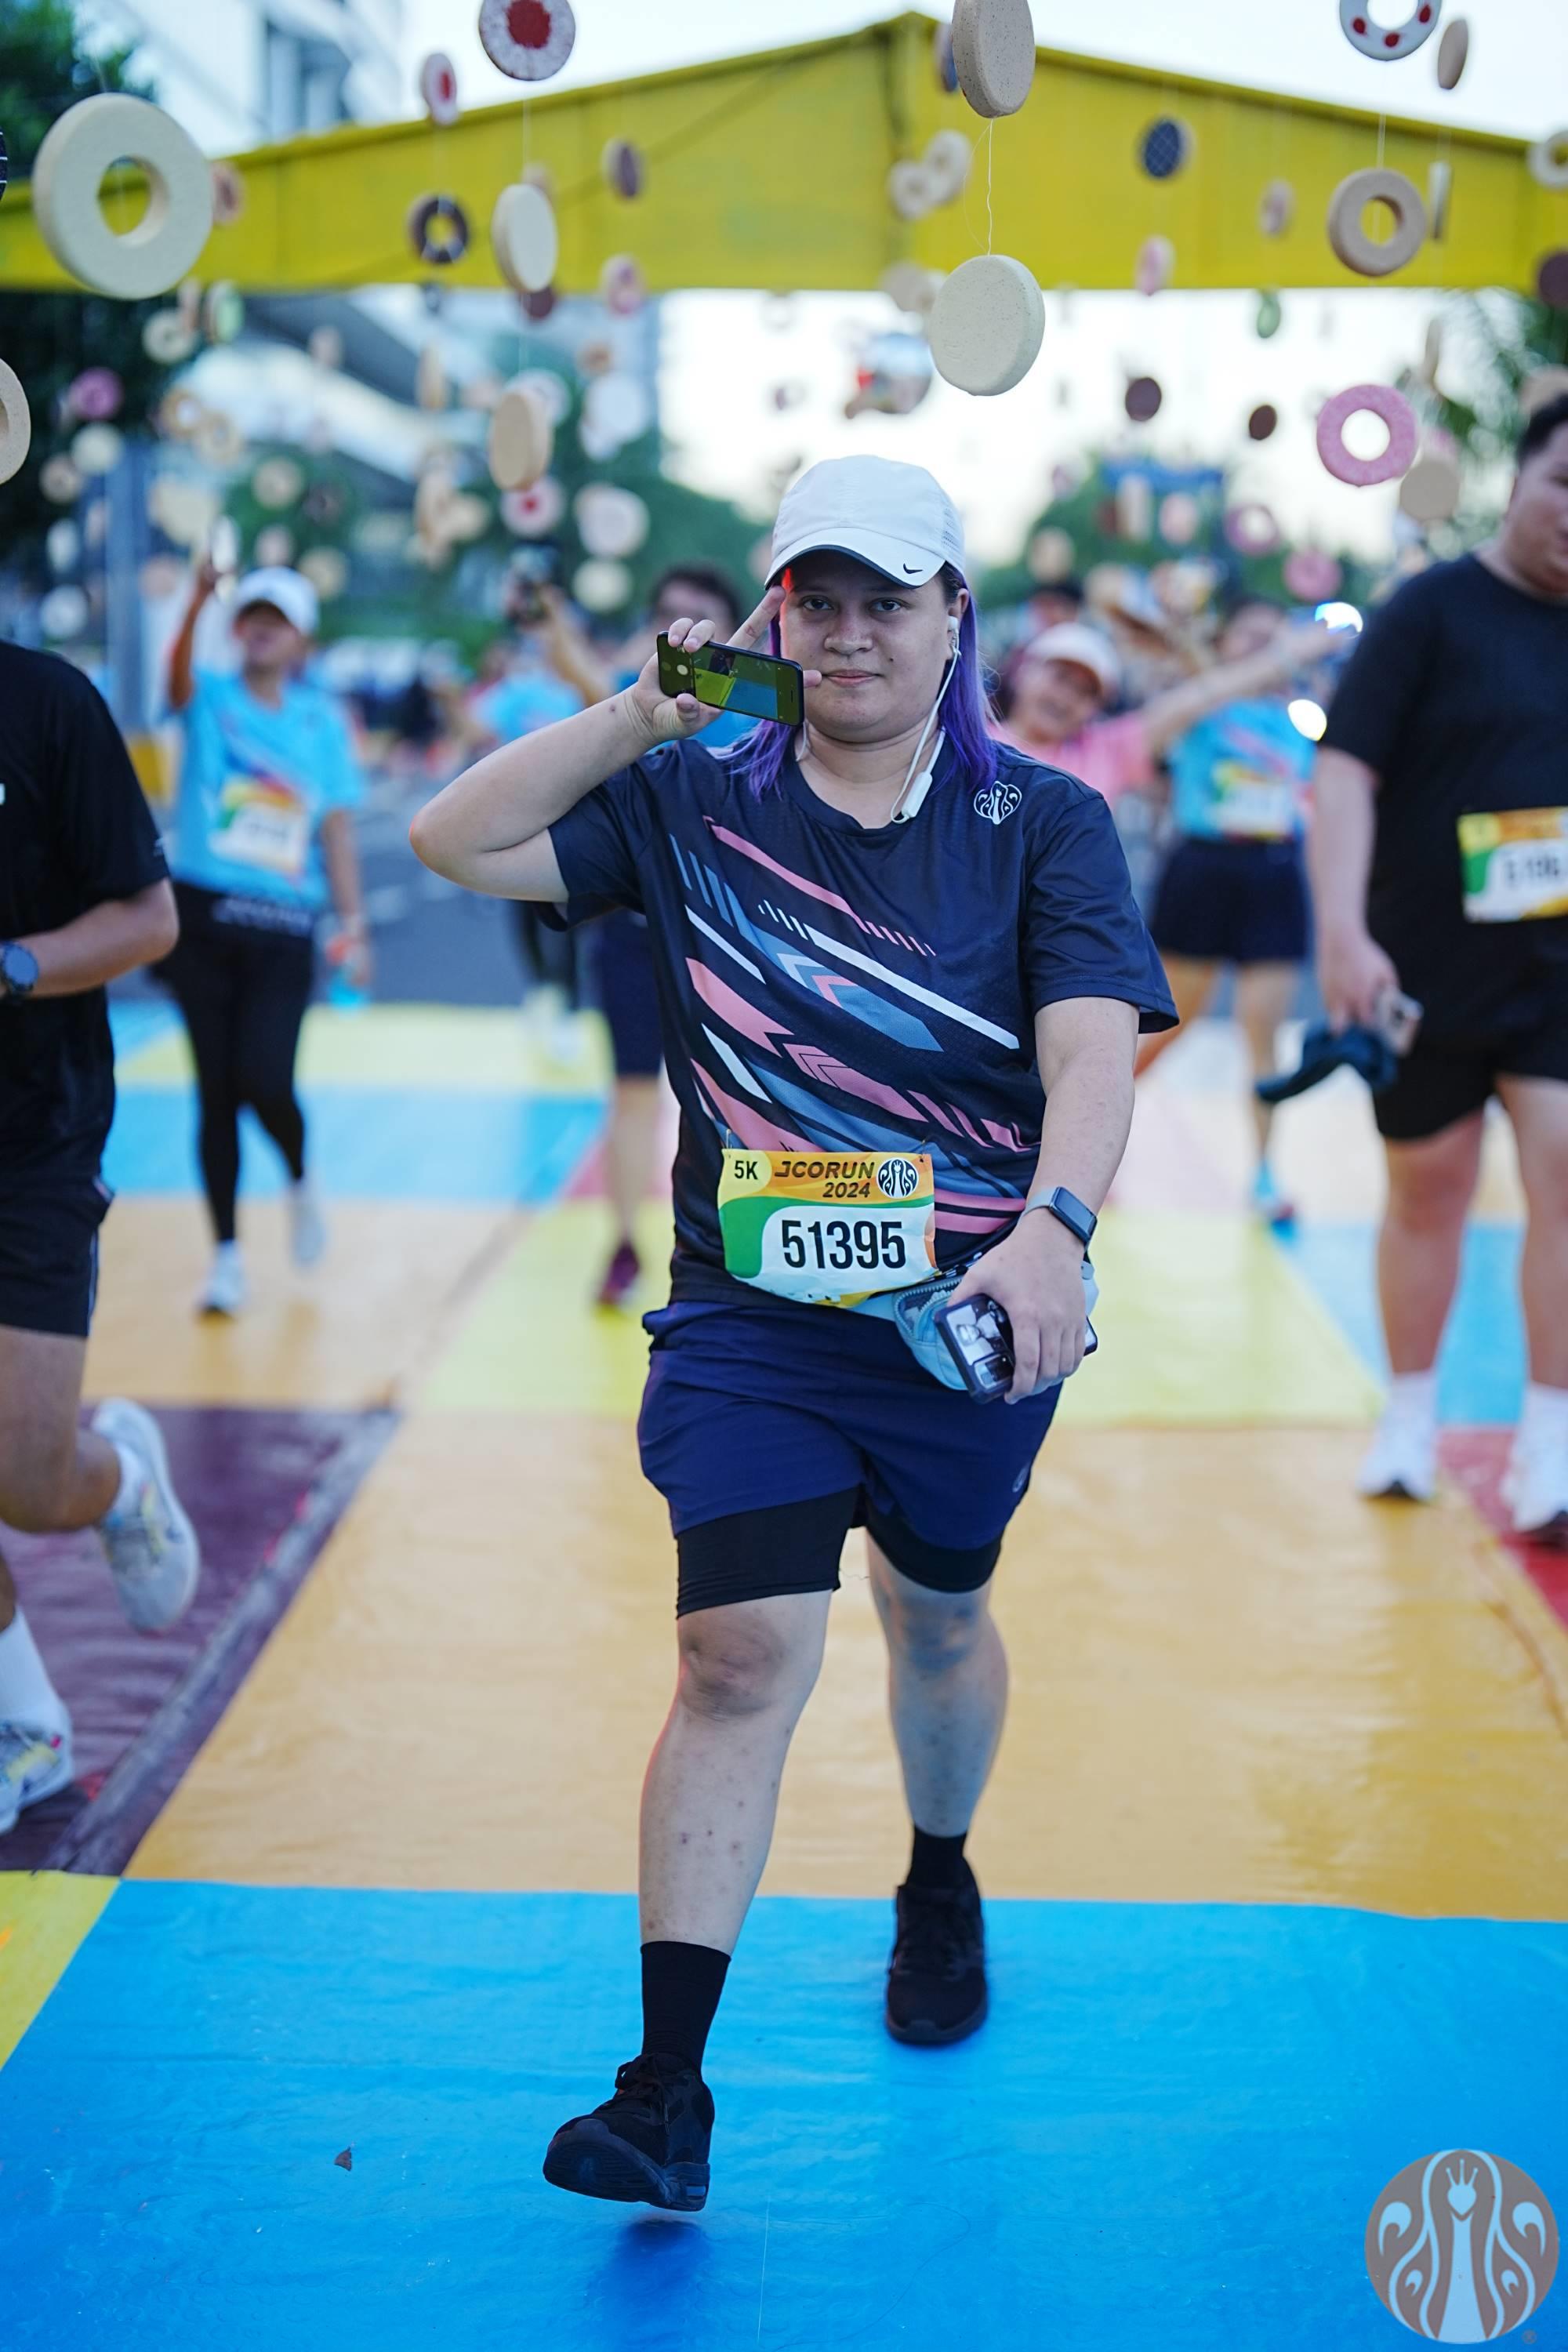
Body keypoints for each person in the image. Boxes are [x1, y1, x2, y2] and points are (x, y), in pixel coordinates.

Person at [412, 455, 1174, 2210]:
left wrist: (1054, 1234)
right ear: (771, 618)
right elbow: (454, 839)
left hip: (970, 1317)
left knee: (938, 1616)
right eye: (812, 602)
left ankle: (938, 1870)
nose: (846, 636)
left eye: (882, 602)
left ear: (952, 617)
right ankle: (664, 2097)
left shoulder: (1043, 822)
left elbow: (1090, 1050)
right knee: (736, 1657)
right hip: (749, 1317)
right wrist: (644, 705)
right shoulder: (689, 798)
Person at [1309, 391, 1568, 1530]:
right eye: (1564, 485)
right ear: (1518, 481)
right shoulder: (1427, 612)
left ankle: (1548, 1448)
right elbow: (1344, 775)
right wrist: (1341, 930)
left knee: (1565, 1172)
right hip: (1420, 965)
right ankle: (1408, 1417)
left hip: (1558, 970)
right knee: (1429, 1188)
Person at [0, 641, 202, 1835]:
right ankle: (23, 1724)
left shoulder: (46, 703)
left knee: (27, 1480)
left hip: (32, 1137)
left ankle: (119, 1475)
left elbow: (147, 918)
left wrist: (11, 967)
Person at [162, 561, 369, 1318]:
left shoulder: (321, 721)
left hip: (284, 927)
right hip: (203, 917)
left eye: (277, 619)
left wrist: (353, 927)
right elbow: (174, 684)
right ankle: (224, 1258)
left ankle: (300, 1178)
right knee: (214, 1092)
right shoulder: (209, 697)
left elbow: (337, 829)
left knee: (265, 1080)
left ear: (301, 638)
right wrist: (195, 602)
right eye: (251, 614)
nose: (261, 628)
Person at [583, 562, 757, 1310]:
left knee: (735, 1104)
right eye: (669, 613)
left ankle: (739, 1251)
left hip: (728, 944)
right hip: (632, 934)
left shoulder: (760, 706)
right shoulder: (630, 694)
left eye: (700, 614)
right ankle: (624, 1243)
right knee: (631, 1092)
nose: (683, 627)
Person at [1133, 595, 1322, 1221]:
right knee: (1168, 1025)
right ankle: (1075, 1147)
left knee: (1263, 1035)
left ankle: (1265, 1175)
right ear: (1223, 645)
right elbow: (1160, 723)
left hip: (1274, 873)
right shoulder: (1199, 705)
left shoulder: (1302, 719)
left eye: (1275, 636)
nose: (1265, 647)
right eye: (1250, 635)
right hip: (1203, 869)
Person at [995, 612, 1331, 812]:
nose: (1066, 698)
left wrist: (1286, 657)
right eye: (1060, 678)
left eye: (1086, 692)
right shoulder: (973, 743)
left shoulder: (1106, 750)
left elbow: (1202, 695)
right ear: (1024, 670)